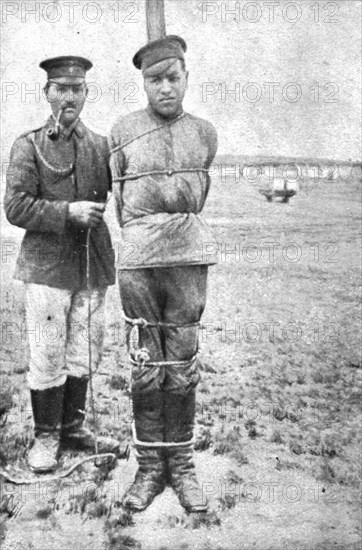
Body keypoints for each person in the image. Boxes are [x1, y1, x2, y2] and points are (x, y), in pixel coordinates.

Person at [109, 36, 218, 512]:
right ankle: (150, 465)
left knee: (182, 359)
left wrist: (175, 229)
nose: (166, 88)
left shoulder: (205, 132)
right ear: (144, 83)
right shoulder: (123, 131)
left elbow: (202, 189)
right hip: (138, 261)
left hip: (188, 258)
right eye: (155, 80)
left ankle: (184, 465)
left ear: (187, 79)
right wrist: (144, 235)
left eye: (174, 78)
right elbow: (119, 199)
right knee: (146, 362)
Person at [4, 56, 119, 473]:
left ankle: (72, 428)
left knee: (84, 349)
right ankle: (46, 435)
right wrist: (66, 212)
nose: (69, 97)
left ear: (87, 94)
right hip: (47, 268)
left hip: (91, 264)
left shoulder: (102, 145)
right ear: (47, 92)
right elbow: (15, 207)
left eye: (77, 90)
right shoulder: (28, 145)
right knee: (48, 350)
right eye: (61, 89)